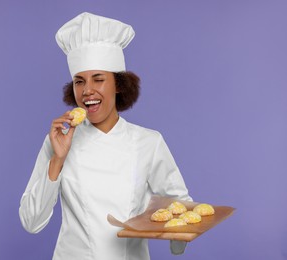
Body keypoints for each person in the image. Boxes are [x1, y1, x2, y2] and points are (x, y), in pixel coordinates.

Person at [19, 12, 192, 260]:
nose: (87, 91)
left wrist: (178, 241)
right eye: (79, 82)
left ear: (118, 84)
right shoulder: (58, 140)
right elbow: (31, 221)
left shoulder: (148, 142)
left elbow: (179, 206)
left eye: (98, 79)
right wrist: (57, 160)